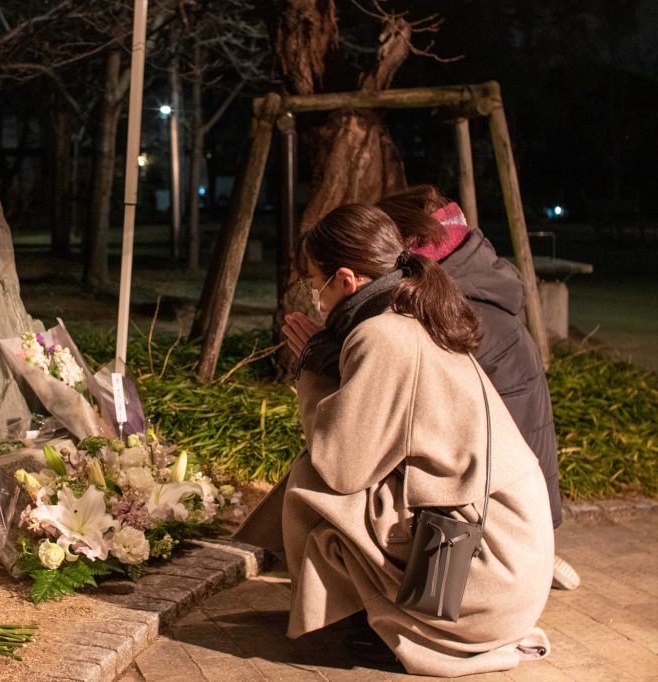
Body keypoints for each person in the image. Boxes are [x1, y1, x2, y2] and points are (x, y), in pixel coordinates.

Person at [248, 204, 554, 676]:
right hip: (508, 548)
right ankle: (352, 611)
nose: (315, 297)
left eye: (313, 283)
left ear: (346, 280)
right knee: (341, 492)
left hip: (479, 571)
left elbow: (340, 465)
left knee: (314, 483)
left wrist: (311, 364)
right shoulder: (410, 311)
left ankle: (370, 622)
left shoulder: (384, 335)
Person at [376, 185, 579, 591]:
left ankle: (515, 558)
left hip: (492, 505)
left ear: (410, 242)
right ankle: (531, 549)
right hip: (526, 496)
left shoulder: (451, 309)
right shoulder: (478, 282)